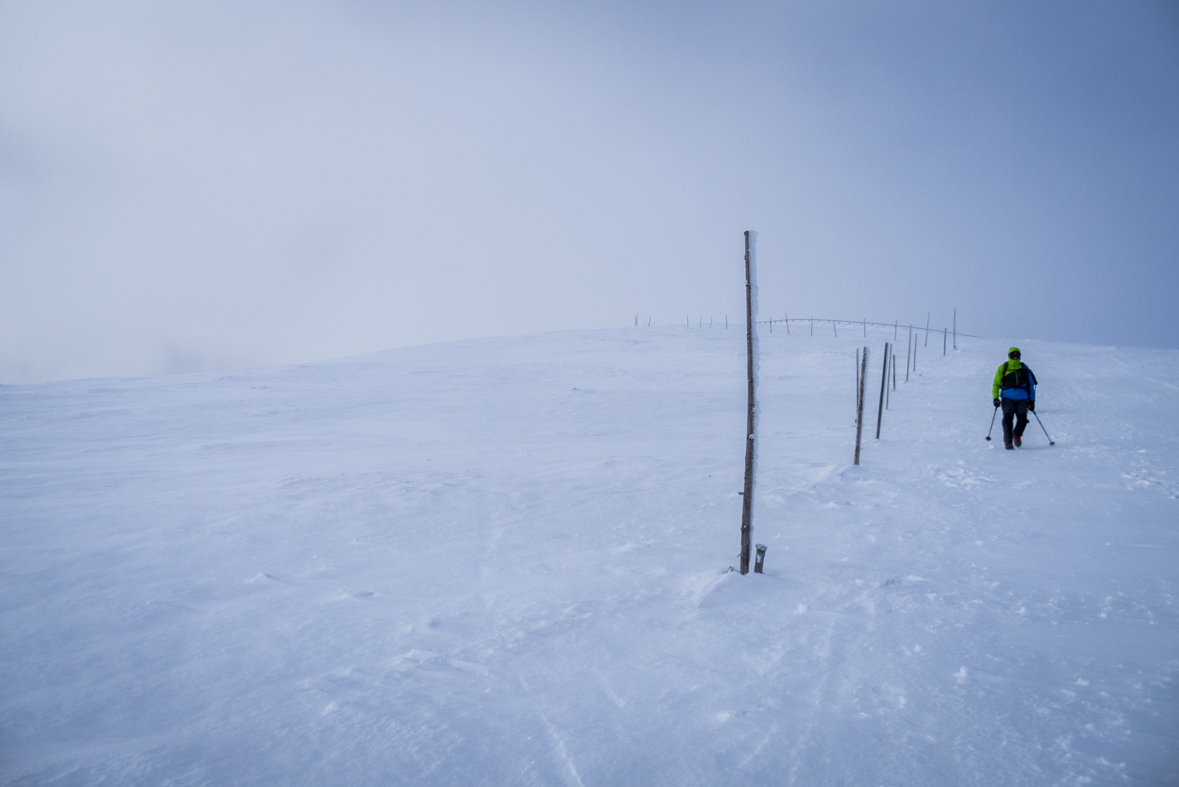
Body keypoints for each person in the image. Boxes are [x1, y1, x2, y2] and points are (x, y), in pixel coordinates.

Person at [992, 347, 1037, 449]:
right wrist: (995, 398)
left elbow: (1030, 386)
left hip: (1022, 397)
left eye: (1017, 355)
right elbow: (996, 384)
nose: (1015, 357)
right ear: (1009, 356)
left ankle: (1017, 434)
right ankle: (1008, 442)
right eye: (1013, 355)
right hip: (1007, 397)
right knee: (1008, 418)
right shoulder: (1003, 367)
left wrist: (1032, 400)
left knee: (1023, 419)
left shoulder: (1025, 368)